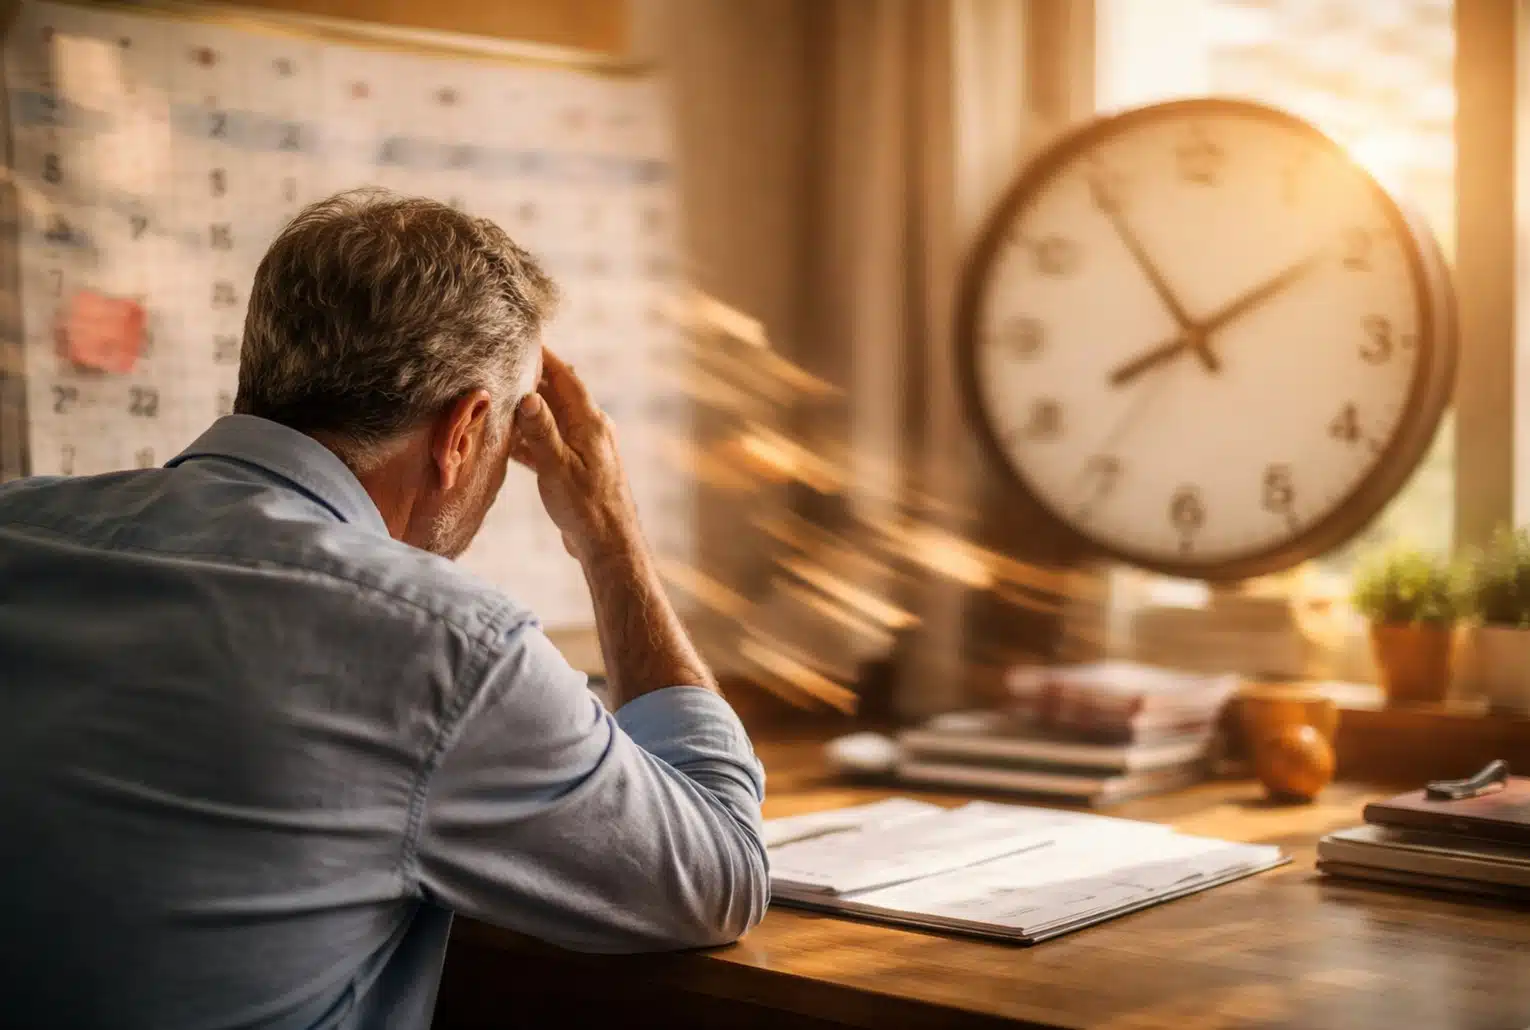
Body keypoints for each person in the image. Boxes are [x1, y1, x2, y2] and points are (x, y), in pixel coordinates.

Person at [0, 189, 769, 1029]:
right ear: (464, 431)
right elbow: (719, 876)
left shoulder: (18, 525)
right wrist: (610, 532)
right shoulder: (447, 646)